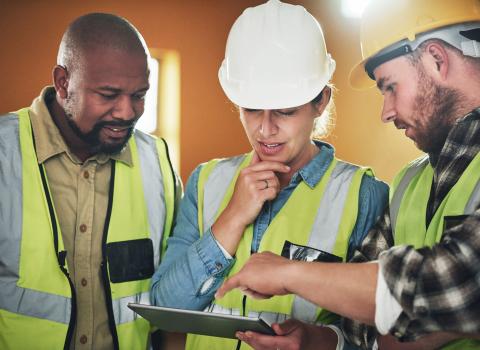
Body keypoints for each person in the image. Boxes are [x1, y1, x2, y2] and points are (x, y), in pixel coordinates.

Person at [216, 0, 480, 349]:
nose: (385, 112)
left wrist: (289, 273)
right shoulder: (407, 184)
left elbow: (459, 283)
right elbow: (363, 327)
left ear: (436, 59)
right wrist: (320, 339)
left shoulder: (367, 191)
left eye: (389, 86)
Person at [150, 1, 388, 349]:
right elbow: (164, 309)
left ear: (321, 101)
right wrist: (230, 219)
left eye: (285, 111)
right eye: (251, 109)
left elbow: (377, 334)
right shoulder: (206, 182)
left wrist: (319, 341)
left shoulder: (362, 195)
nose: (265, 129)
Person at [0, 13, 181, 349]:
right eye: (109, 95)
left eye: (139, 95)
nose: (127, 112)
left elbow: (171, 301)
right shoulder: (4, 154)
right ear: (63, 82)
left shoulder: (157, 162)